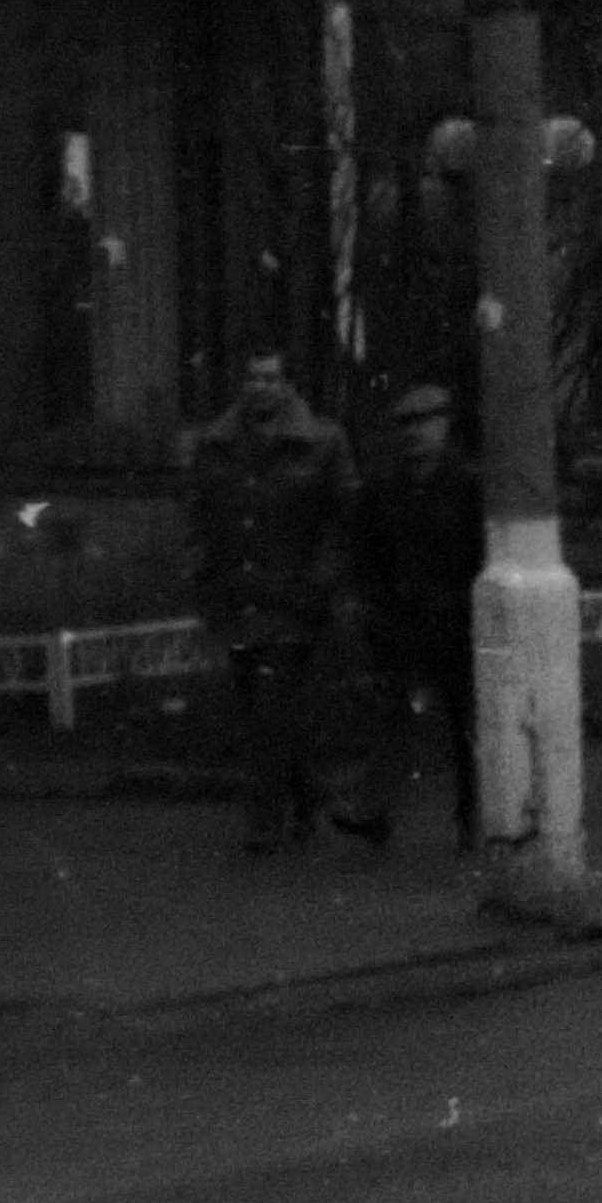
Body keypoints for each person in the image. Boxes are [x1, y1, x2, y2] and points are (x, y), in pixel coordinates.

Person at [181, 351, 354, 848]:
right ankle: (304, 801)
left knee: (270, 709)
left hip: (293, 599)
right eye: (252, 377)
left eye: (271, 378)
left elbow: (342, 519)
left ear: (287, 385)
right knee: (261, 706)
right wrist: (201, 572)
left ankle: (264, 820)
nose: (261, 387)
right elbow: (197, 514)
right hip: (236, 597)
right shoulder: (215, 447)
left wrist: (319, 580)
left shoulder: (322, 443)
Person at [339, 379, 490, 847]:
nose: (414, 433)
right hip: (403, 624)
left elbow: (481, 555)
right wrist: (373, 608)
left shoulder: (468, 486)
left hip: (458, 624)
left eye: (425, 423)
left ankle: (474, 820)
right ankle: (373, 812)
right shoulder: (383, 490)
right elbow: (366, 554)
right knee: (394, 718)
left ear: (445, 426)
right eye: (405, 424)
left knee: (466, 727)